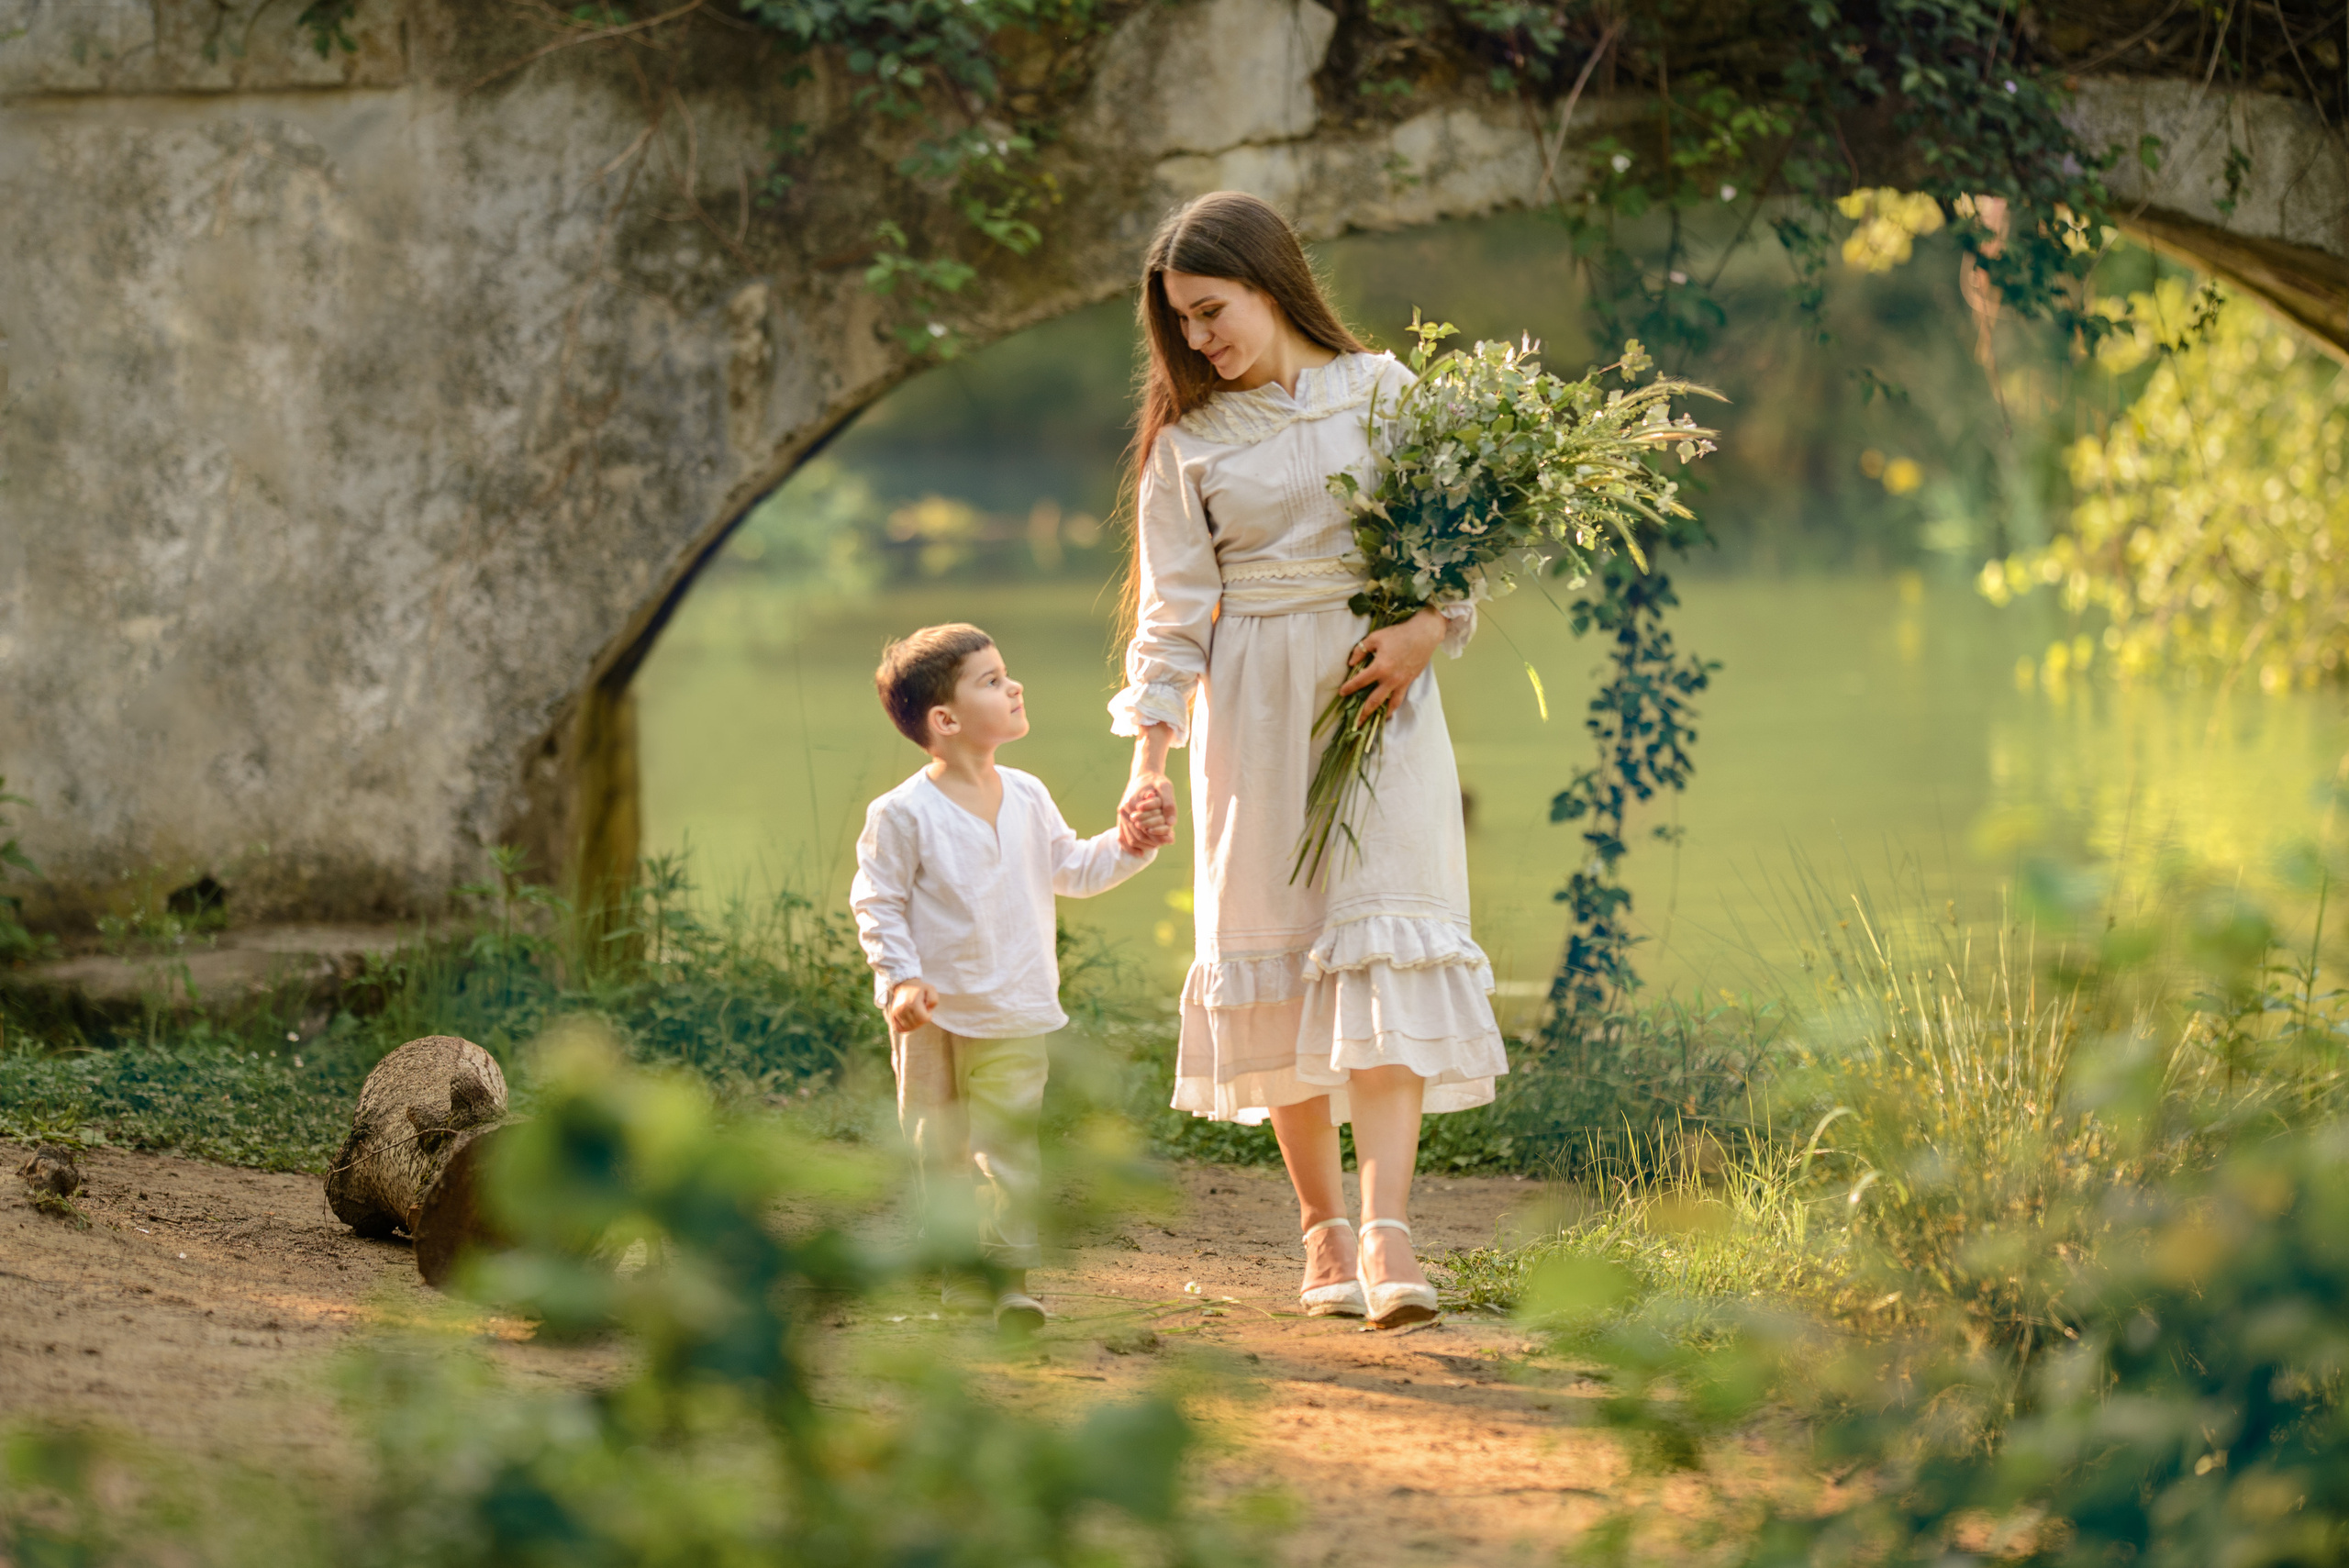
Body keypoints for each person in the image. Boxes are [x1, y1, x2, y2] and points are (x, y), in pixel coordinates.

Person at [1111, 192, 1508, 1329]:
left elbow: (1455, 544)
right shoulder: (1187, 447)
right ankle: (1322, 1230)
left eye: (1209, 309)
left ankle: (1389, 1233)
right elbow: (1174, 622)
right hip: (1253, 715)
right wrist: (1147, 762)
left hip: (1378, 697)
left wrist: (1425, 631)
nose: (1198, 339)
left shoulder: (1384, 394)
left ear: (1268, 282)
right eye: (1181, 323)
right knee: (1277, 957)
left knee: (1381, 944)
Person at [851, 623, 1163, 1330]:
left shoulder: (1026, 793)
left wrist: (1131, 843)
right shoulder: (903, 813)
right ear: (946, 719)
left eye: (1006, 672)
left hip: (1018, 1005)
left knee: (1011, 1145)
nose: (1014, 685)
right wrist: (900, 979)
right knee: (941, 1146)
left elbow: (1073, 867)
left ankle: (1012, 1278)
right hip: (932, 1016)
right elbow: (877, 900)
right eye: (991, 680)